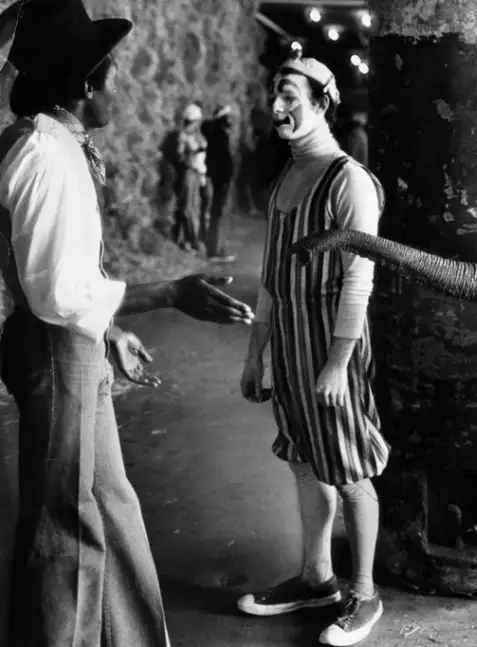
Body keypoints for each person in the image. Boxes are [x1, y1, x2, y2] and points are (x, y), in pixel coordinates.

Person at [0, 1, 255, 645]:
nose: (123, 88)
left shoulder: (53, 142)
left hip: (72, 339)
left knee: (107, 502)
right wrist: (168, 291)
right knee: (65, 525)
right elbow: (54, 289)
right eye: (114, 77)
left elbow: (52, 270)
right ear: (84, 85)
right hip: (56, 348)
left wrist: (108, 329)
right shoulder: (43, 153)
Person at [237, 47, 388, 647]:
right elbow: (272, 279)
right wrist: (256, 355)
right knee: (304, 460)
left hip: (332, 349)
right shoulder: (285, 180)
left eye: (290, 97)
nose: (277, 107)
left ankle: (366, 594)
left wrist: (336, 363)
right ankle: (316, 577)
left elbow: (360, 277)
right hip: (293, 348)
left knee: (350, 471)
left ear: (322, 103)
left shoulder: (347, 180)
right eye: (274, 95)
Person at [200, 103, 237, 262]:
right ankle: (215, 251)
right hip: (221, 178)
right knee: (219, 214)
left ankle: (217, 249)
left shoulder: (215, 132)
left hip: (219, 177)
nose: (230, 120)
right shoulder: (219, 133)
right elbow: (223, 159)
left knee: (218, 214)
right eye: (227, 116)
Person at [171, 102, 207, 253]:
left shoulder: (195, 136)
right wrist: (190, 154)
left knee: (193, 207)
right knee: (187, 208)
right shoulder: (184, 136)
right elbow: (179, 156)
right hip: (188, 173)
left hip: (196, 173)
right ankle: (191, 240)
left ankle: (188, 239)